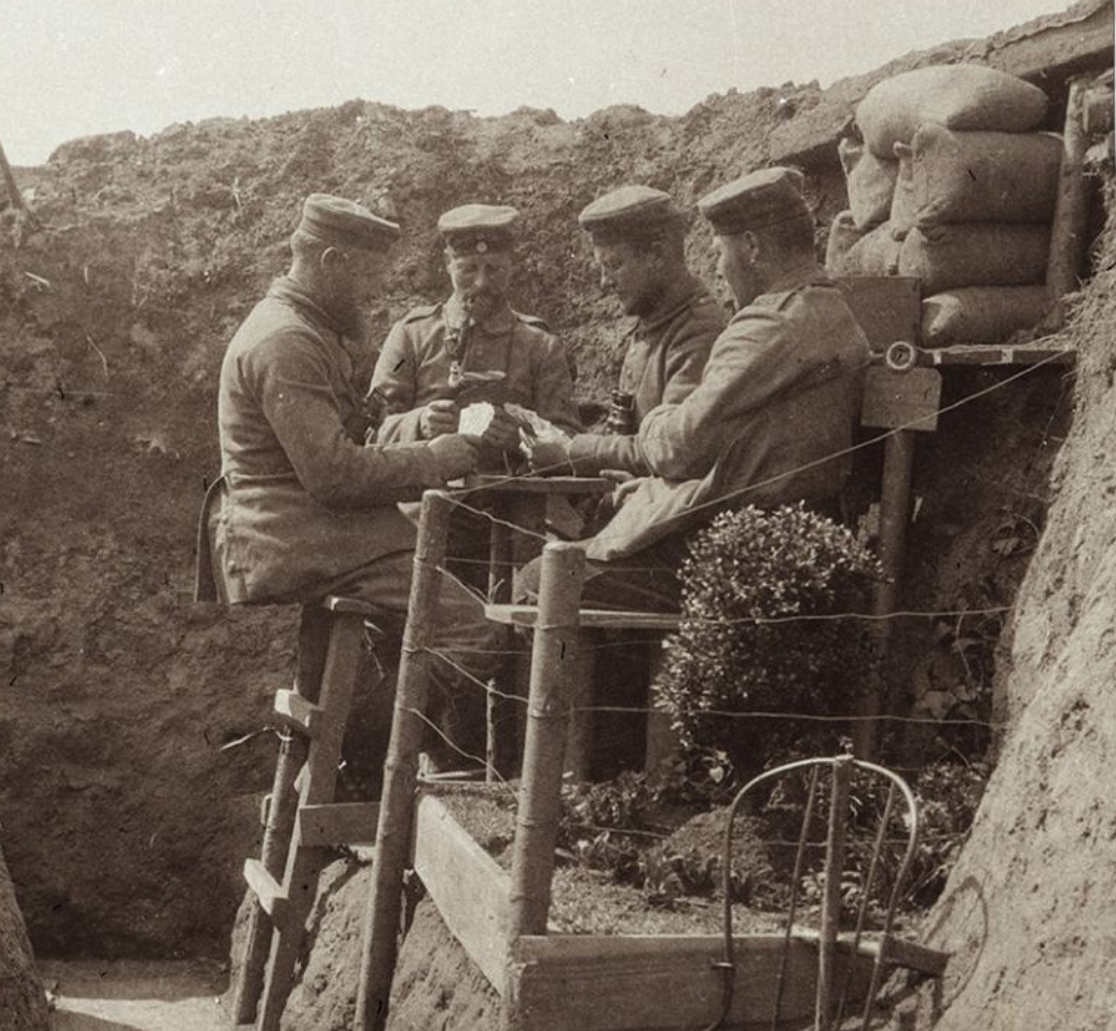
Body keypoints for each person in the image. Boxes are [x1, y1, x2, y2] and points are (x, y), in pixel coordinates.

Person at [201, 193, 500, 777]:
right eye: (365, 278)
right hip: (293, 536)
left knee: (424, 581)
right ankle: (354, 759)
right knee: (478, 632)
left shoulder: (299, 328)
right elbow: (334, 476)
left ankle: (364, 753)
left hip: (298, 526)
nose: (371, 295)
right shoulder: (284, 340)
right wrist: (433, 456)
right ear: (331, 261)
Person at [529, 167, 872, 611]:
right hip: (778, 534)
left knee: (536, 581)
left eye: (718, 254)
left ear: (750, 247)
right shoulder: (828, 309)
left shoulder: (767, 325)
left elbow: (679, 445)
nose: (717, 270)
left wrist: (654, 425)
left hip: (738, 548)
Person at [368, 203, 581, 586]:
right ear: (448, 265)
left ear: (512, 267)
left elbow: (568, 440)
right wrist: (420, 422)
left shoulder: (540, 347)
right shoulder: (411, 338)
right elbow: (373, 429)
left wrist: (519, 440)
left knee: (523, 600)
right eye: (468, 269)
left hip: (514, 519)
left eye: (494, 269)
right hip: (424, 513)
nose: (481, 283)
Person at [576, 184, 726, 435]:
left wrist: (576, 451)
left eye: (614, 265)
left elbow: (670, 446)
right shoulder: (656, 323)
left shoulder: (699, 333)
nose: (604, 283)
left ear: (656, 254)